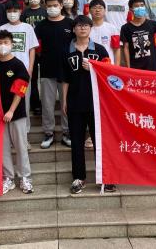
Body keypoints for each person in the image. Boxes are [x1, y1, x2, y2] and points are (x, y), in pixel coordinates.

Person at [61, 15, 115, 195]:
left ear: (91, 28)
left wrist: (94, 68)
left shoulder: (99, 50)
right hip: (74, 102)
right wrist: (64, 100)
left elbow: (109, 73)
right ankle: (79, 178)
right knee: (76, 142)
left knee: (99, 140)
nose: (82, 28)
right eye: (79, 25)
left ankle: (105, 178)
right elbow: (65, 79)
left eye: (86, 25)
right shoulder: (67, 50)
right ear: (74, 29)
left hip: (96, 103)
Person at [0, 30, 33, 194]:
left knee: (21, 147)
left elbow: (20, 89)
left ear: (12, 44)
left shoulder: (18, 65)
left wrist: (11, 110)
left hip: (16, 114)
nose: (3, 46)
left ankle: (25, 178)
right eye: (0, 43)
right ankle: (8, 178)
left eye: (6, 43)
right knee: (3, 149)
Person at [34, 0, 73, 149]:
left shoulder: (70, 23)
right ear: (45, 7)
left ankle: (67, 132)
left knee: (66, 103)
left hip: (67, 71)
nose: (52, 8)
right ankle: (48, 133)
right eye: (49, 6)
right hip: (47, 70)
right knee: (47, 104)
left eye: (55, 5)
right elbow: (37, 48)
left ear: (61, 5)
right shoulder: (41, 26)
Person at [0, 0, 39, 134]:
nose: (12, 14)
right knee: (5, 102)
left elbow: (32, 49)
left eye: (15, 11)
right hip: (5, 73)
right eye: (9, 11)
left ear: (20, 11)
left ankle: (25, 134)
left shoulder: (27, 28)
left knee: (24, 104)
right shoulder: (1, 28)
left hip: (22, 72)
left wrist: (30, 68)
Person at [21, 0, 47, 115]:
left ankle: (46, 104)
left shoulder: (45, 12)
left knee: (45, 79)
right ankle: (35, 104)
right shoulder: (25, 13)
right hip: (30, 49)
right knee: (33, 78)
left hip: (44, 49)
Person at [121, 0, 156, 71]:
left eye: (142, 5)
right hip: (135, 68)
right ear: (131, 9)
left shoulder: (154, 25)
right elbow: (126, 48)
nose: (140, 8)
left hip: (152, 67)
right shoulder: (125, 28)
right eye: (136, 6)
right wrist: (128, 68)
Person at [89, 0, 121, 66]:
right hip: (91, 65)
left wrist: (116, 67)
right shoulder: (86, 29)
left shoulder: (112, 28)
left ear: (105, 10)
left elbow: (116, 49)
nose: (97, 10)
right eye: (94, 8)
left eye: (100, 8)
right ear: (89, 11)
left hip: (108, 65)